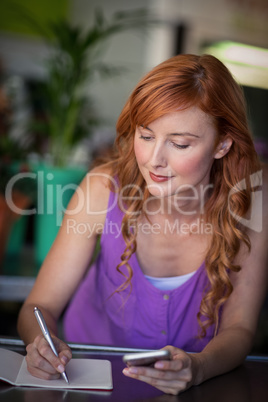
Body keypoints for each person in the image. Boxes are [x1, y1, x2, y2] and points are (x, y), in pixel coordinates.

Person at [17, 54, 268, 395]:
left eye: (179, 144)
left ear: (222, 144)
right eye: (146, 136)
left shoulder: (252, 198)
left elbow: (240, 327)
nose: (154, 160)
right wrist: (40, 344)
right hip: (88, 385)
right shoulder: (101, 189)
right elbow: (40, 306)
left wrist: (198, 367)